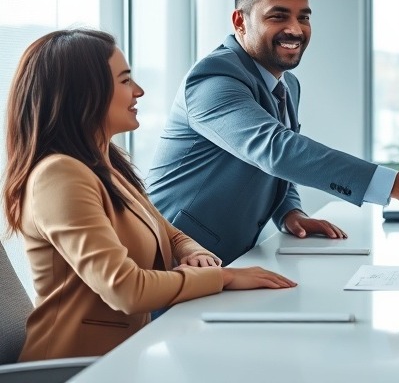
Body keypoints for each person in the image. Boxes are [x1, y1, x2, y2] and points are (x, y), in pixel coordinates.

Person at [3, 29, 295, 361]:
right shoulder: (60, 176)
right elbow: (124, 289)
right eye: (125, 80)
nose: (139, 91)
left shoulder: (107, 164)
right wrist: (223, 277)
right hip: (71, 368)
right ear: (84, 93)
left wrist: (191, 251)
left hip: (122, 357)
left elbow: (168, 231)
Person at [146, 0, 399, 264]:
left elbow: (272, 163)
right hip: (169, 258)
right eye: (278, 16)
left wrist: (288, 211)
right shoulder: (214, 79)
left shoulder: (287, 85)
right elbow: (276, 149)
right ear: (240, 21)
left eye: (304, 18)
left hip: (224, 262)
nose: (295, 29)